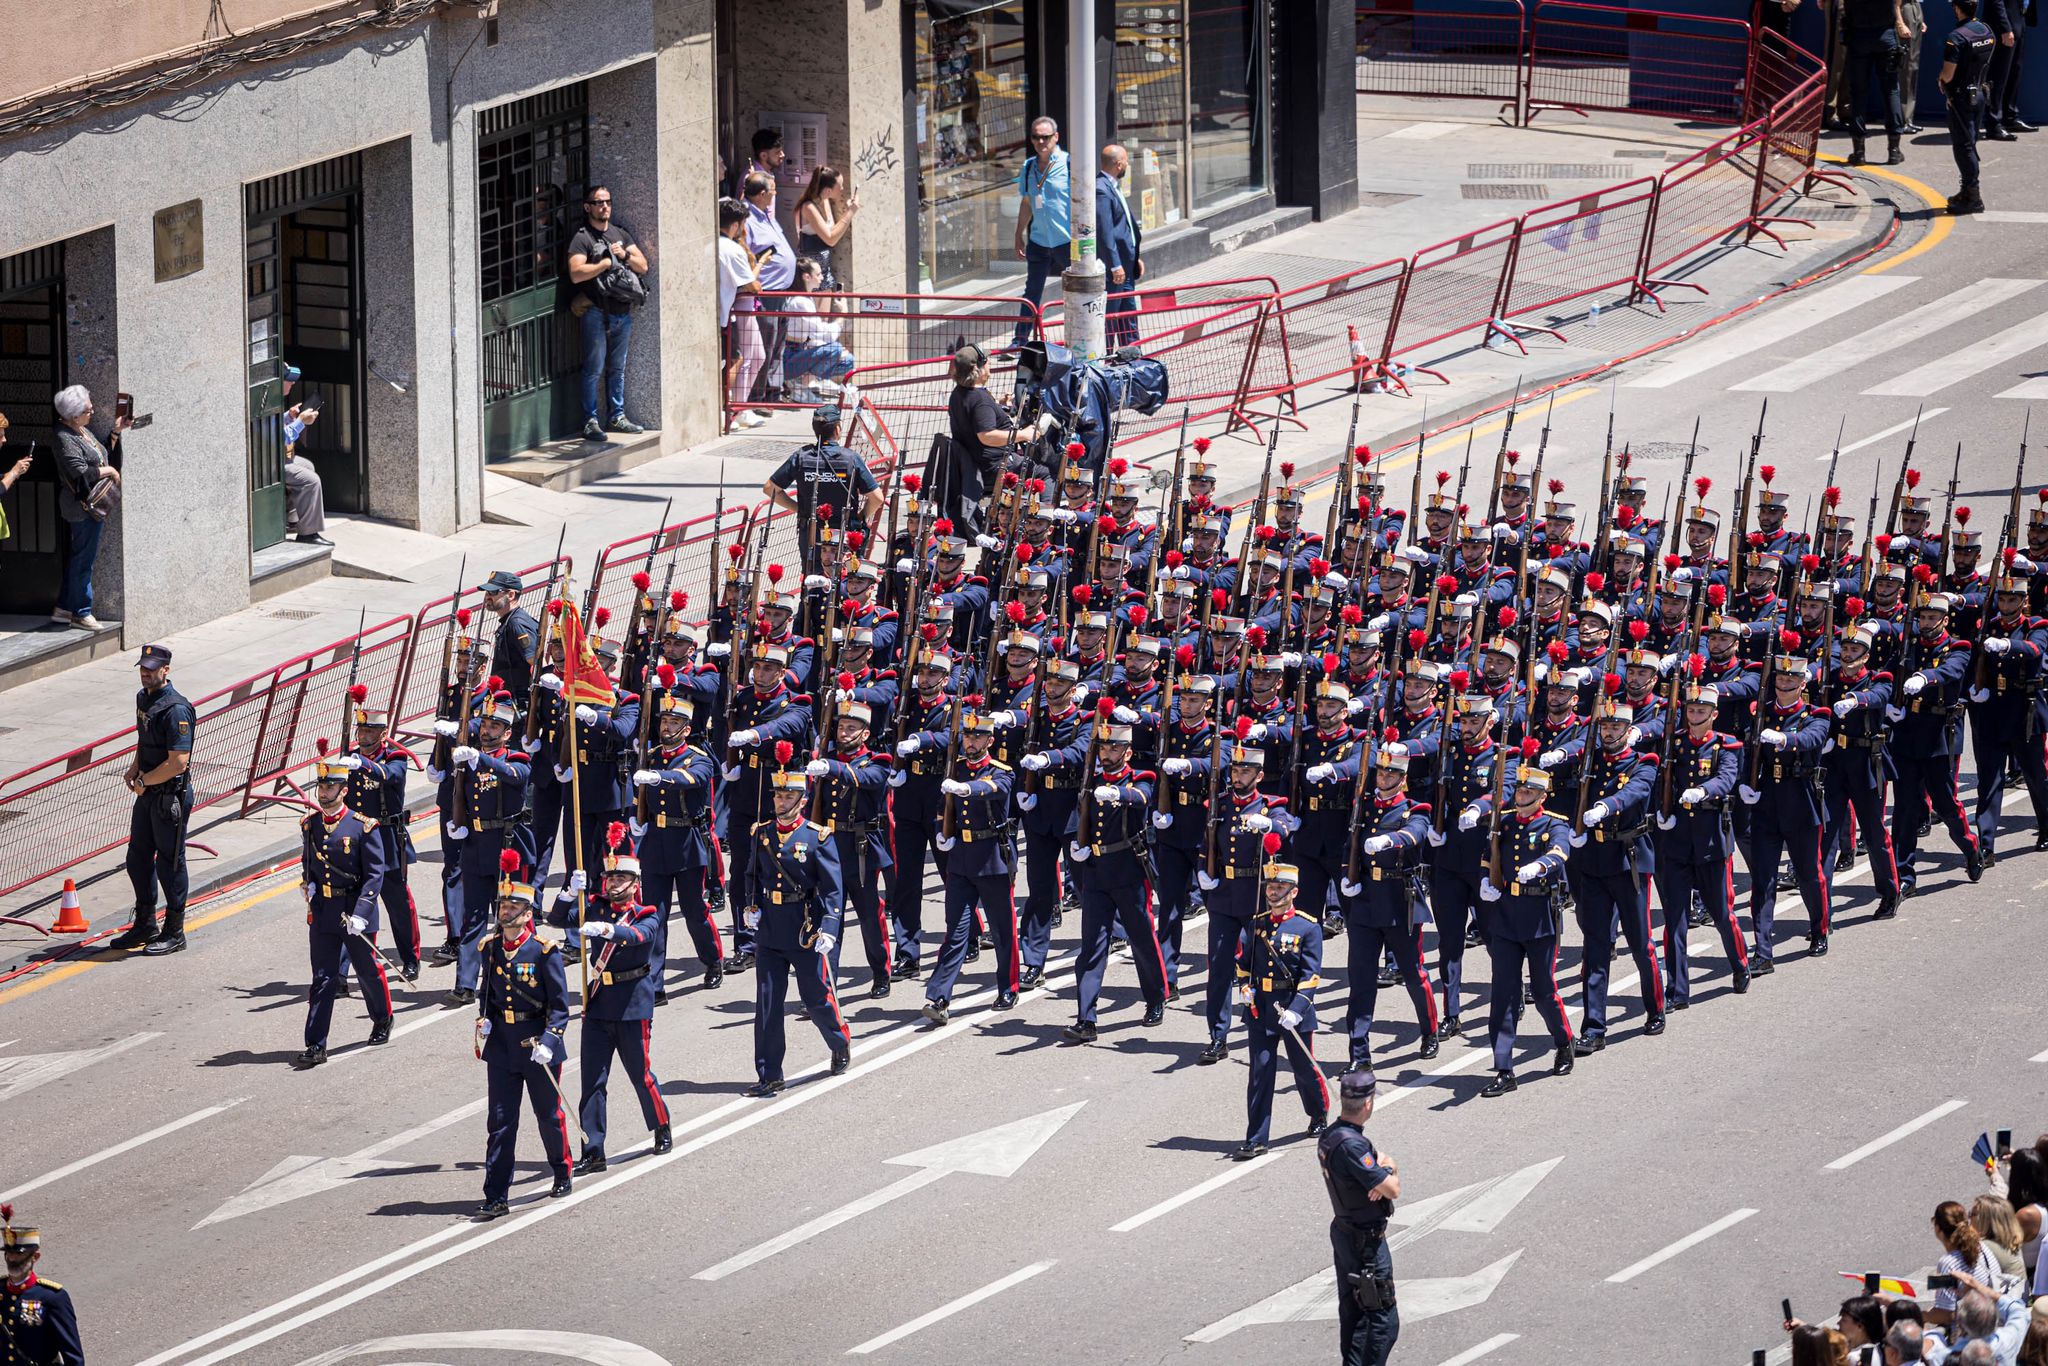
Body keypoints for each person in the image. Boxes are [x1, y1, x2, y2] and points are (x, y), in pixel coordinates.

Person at [473, 855, 573, 1220]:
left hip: (536, 1044)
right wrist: (484, 1020)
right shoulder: (491, 949)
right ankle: (496, 1193)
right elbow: (487, 993)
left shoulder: (544, 952)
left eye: (513, 906)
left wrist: (550, 1040)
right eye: (502, 905)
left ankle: (562, 1170)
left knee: (548, 1115)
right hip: (502, 1046)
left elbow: (560, 1007)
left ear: (528, 913)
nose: (505, 912)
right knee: (499, 1122)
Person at [743, 763, 851, 1096]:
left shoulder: (817, 837)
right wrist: (751, 907)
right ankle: (769, 1073)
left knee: (816, 997)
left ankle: (838, 1040)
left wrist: (830, 927)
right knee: (768, 1003)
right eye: (777, 795)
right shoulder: (761, 833)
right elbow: (751, 875)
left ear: (802, 800)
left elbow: (833, 889)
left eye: (788, 795)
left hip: (805, 927)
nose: (780, 801)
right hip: (772, 928)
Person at [573, 826, 672, 1173]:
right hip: (599, 1004)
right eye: (609, 877)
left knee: (640, 1075)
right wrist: (570, 895)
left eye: (621, 878)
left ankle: (660, 1125)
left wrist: (608, 930)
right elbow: (557, 920)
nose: (613, 884)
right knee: (593, 1083)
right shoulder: (595, 907)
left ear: (634, 883)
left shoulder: (647, 914)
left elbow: (638, 937)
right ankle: (593, 1148)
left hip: (633, 1004)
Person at [295, 750, 393, 1068]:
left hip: (354, 911)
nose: (323, 794)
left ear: (343, 791)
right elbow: (309, 863)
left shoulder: (362, 827)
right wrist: (307, 885)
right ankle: (316, 1044)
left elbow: (374, 875)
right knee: (323, 978)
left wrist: (361, 914)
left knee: (367, 971)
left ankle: (382, 1018)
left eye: (329, 788)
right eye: (321, 788)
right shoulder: (310, 825)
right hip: (324, 910)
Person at [1233, 858, 1329, 1159]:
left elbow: (1311, 975)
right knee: (1261, 1073)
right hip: (1262, 1009)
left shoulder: (1307, 927)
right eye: (1270, 887)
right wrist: (1245, 988)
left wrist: (1297, 1009)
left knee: (1303, 1069)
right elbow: (1244, 965)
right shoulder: (1257, 923)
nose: (1272, 892)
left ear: (1294, 892)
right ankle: (1257, 1137)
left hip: (1292, 1009)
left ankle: (1318, 1112)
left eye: (1279, 888)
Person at [108, 644, 196, 956]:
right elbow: (144, 737)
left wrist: (144, 781)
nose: (145, 672)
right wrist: (135, 767)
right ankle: (146, 923)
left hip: (168, 796)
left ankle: (175, 930)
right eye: (143, 667)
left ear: (166, 670)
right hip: (147, 793)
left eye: (152, 668)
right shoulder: (143, 698)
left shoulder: (175, 710)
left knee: (170, 863)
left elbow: (178, 761)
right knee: (137, 858)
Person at [1317, 1068, 1399, 1366]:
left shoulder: (1332, 1135)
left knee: (1353, 1315)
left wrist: (1378, 1174)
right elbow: (1391, 1188)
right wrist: (1388, 1169)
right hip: (1366, 1242)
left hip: (1346, 1233)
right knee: (1381, 1321)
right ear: (1367, 1104)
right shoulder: (1353, 1145)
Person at [565, 184, 650, 441]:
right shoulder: (582, 238)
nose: (605, 207)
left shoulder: (619, 234)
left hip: (622, 313)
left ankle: (617, 416)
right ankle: (590, 421)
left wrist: (623, 255)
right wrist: (602, 264)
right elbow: (576, 273)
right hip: (595, 312)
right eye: (599, 202)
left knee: (618, 368)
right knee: (593, 368)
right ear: (587, 207)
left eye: (608, 202)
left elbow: (643, 266)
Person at [944, 344, 1054, 531]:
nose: (989, 366)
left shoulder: (960, 394)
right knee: (1045, 473)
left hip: (975, 463)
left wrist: (1000, 405)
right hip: (993, 465)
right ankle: (1044, 522)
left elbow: (976, 418)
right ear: (976, 369)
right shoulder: (979, 400)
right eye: (986, 362)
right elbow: (986, 435)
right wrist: (1023, 434)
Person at [762, 402, 884, 562]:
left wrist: (800, 509)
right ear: (838, 429)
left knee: (812, 580)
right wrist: (860, 517)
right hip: (845, 533)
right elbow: (877, 498)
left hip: (811, 534)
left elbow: (770, 488)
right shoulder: (851, 458)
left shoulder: (801, 457)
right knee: (845, 580)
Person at [51, 383, 126, 631]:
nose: (92, 412)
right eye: (87, 410)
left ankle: (63, 607)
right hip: (81, 508)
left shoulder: (82, 430)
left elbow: (102, 455)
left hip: (93, 505)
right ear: (73, 414)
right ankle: (81, 612)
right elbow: (80, 472)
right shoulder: (64, 437)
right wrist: (109, 470)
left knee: (81, 557)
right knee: (84, 560)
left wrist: (115, 433)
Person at [1011, 116, 1072, 345]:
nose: (1040, 141)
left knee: (1074, 291)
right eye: (1036, 137)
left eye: (1045, 137)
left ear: (1055, 137)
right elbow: (1027, 202)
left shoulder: (1068, 163)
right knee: (1031, 293)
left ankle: (1077, 335)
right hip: (1038, 239)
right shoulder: (1028, 167)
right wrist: (1018, 235)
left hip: (1065, 240)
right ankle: (1019, 340)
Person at [742, 172, 797, 405]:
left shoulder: (765, 214)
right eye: (772, 191)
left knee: (777, 347)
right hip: (765, 293)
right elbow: (747, 255)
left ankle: (772, 394)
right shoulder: (747, 218)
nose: (775, 194)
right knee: (764, 346)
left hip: (781, 292)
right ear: (762, 194)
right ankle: (758, 398)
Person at [2, 1209, 82, 1366]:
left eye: (19, 1254)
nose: (12, 1258)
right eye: (8, 1253)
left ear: (35, 1257)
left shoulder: (51, 1297)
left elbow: (73, 1355)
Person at [1941, 0, 1998, 214]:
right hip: (1981, 93)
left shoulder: (1956, 37)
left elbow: (1948, 74)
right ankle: (1966, 191)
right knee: (1970, 142)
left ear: (1957, 8)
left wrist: (1941, 80)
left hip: (1961, 97)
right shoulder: (1986, 31)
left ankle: (1973, 196)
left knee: (1964, 146)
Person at [717, 197, 767, 430]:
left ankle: (738, 409)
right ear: (736, 225)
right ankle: (734, 411)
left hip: (729, 311)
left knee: (747, 358)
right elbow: (753, 286)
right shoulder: (732, 248)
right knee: (738, 360)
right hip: (732, 311)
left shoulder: (721, 245)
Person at [1843, 0, 1912, 166]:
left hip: (1858, 36)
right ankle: (1894, 150)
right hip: (1885, 36)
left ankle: (1859, 152)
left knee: (1858, 93)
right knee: (1891, 90)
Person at [780, 256, 856, 401]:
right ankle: (800, 385)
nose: (822, 277)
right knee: (835, 349)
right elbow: (825, 335)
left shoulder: (805, 298)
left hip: (801, 350)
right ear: (807, 277)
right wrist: (842, 315)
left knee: (848, 361)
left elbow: (817, 335)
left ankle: (807, 380)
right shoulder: (800, 301)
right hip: (790, 355)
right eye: (819, 274)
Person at [1096, 143, 1144, 348]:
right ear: (1117, 164)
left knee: (1128, 312)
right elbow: (1106, 232)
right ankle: (1105, 355)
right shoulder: (1102, 190)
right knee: (1112, 313)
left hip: (1126, 262)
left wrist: (1134, 257)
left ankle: (1132, 354)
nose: (1127, 165)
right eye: (1125, 161)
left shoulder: (1112, 186)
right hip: (1115, 267)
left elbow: (1123, 227)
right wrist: (1115, 265)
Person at [277, 364, 331, 545]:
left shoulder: (275, 399)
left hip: (279, 457)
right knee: (311, 480)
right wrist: (300, 422)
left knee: (307, 466)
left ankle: (293, 519)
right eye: (289, 380)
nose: (292, 384)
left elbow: (276, 426)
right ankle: (308, 533)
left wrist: (289, 416)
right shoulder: (267, 400)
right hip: (270, 462)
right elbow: (279, 438)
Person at [1932, 1200, 2003, 1330]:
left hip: (1973, 1331)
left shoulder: (1947, 1262)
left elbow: (1946, 1315)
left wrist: (1921, 1315)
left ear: (1938, 1229)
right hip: (1994, 1320)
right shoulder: (1981, 1246)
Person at [794, 164, 859, 290]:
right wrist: (851, 212)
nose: (842, 189)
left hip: (824, 270)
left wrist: (847, 211)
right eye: (840, 186)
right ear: (828, 190)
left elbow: (832, 231)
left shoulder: (825, 201)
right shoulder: (809, 207)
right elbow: (830, 239)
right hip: (812, 274)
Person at [477, 569, 540, 697]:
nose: (487, 596)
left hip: (517, 699)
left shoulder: (516, 624)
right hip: (508, 695)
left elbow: (537, 662)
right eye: (487, 592)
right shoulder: (509, 621)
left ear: (511, 595)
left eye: (493, 592)